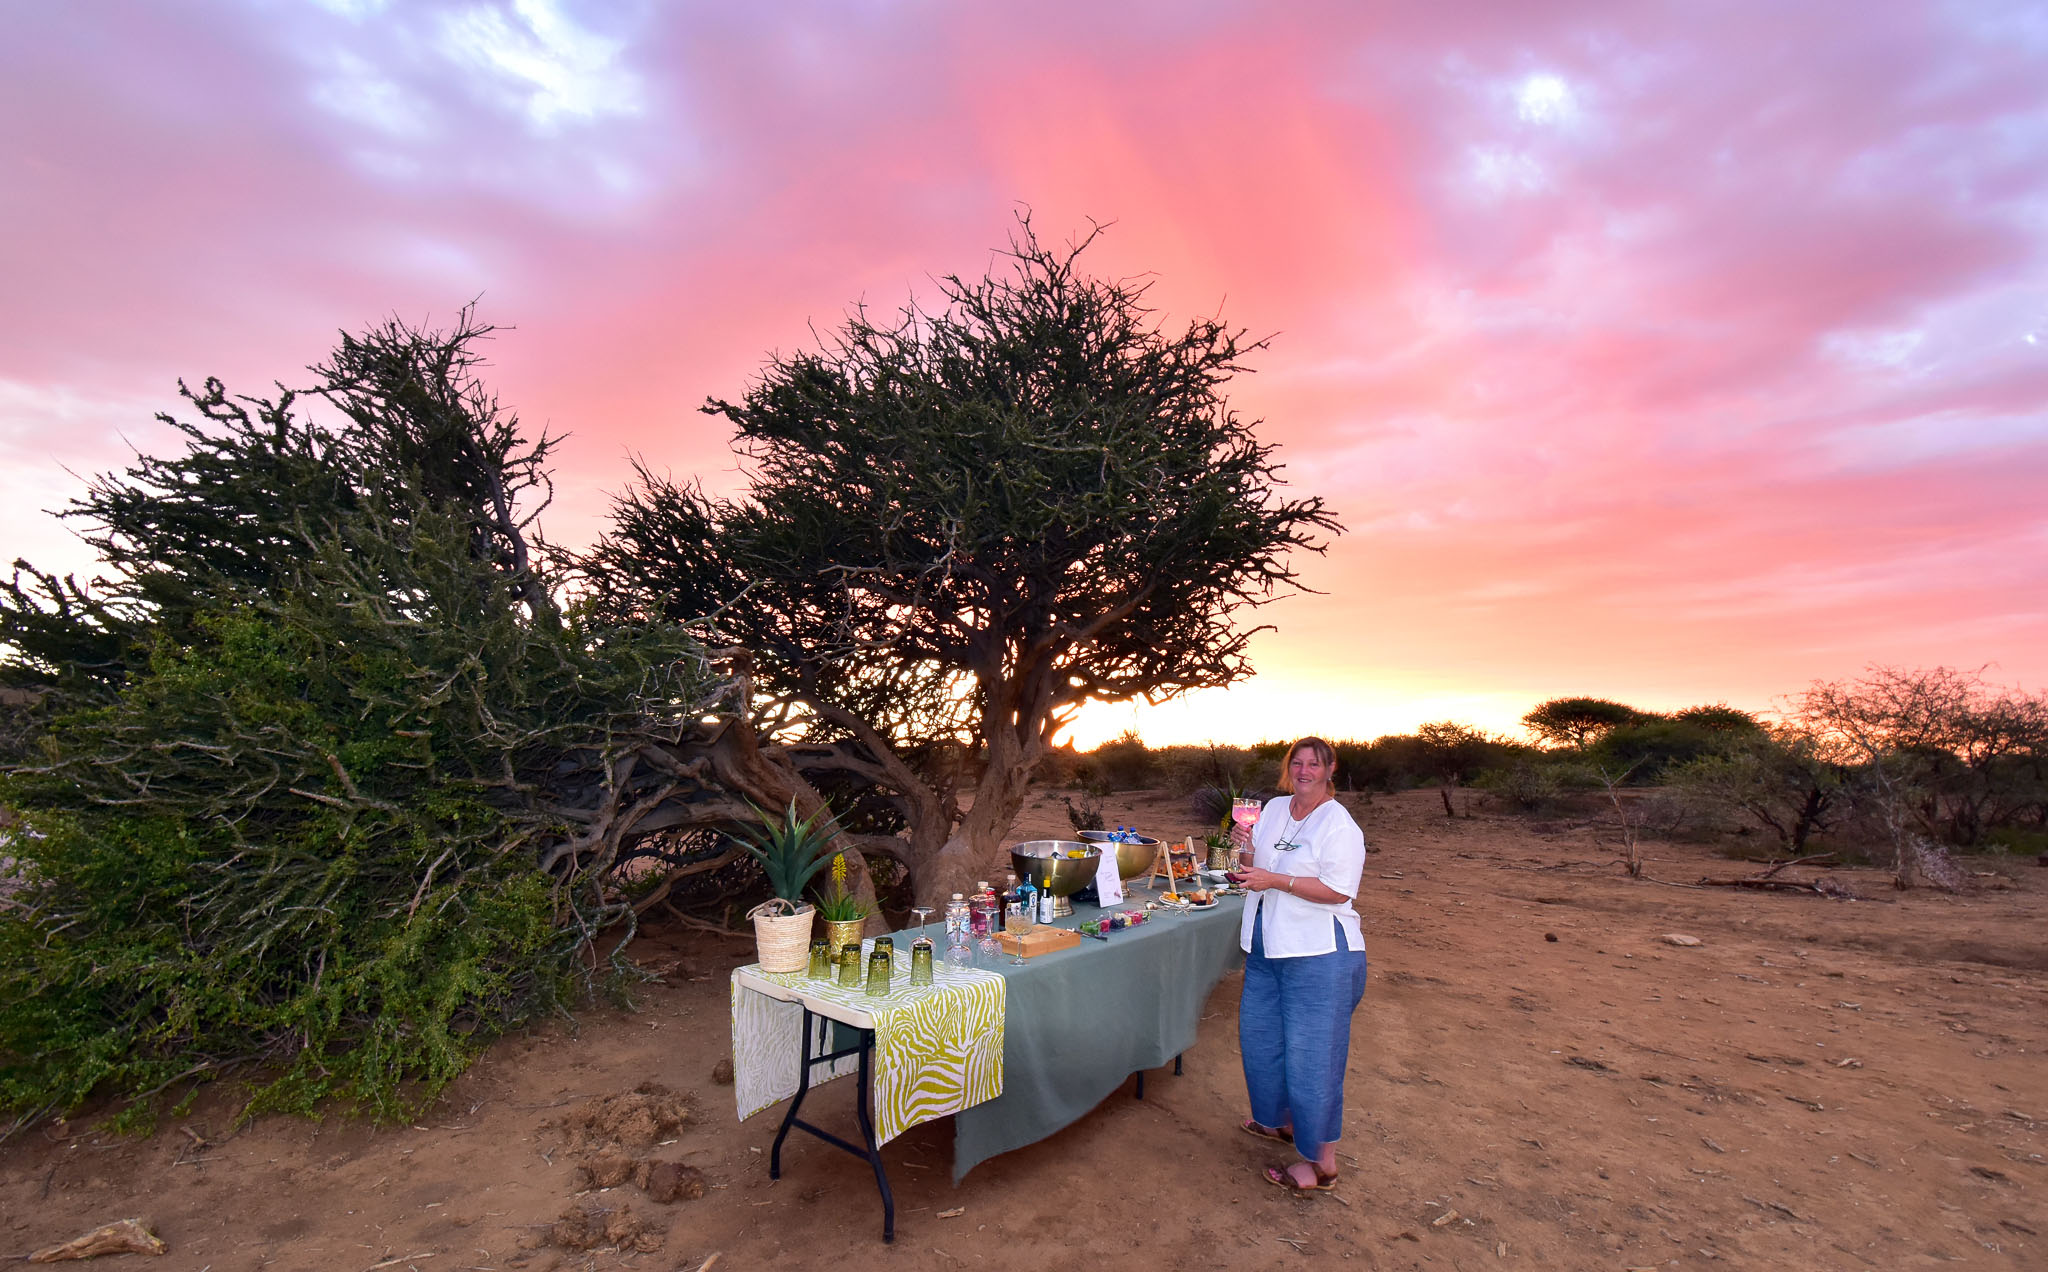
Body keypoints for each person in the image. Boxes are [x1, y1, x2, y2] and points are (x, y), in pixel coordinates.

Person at [1228, 735, 1368, 1194]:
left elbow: (1339, 891)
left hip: (1319, 955)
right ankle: (1281, 1123)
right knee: (1262, 1041)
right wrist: (1243, 847)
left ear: (1330, 771)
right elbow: (1254, 874)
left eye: (1315, 764)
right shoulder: (1272, 809)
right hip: (1268, 946)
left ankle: (1322, 1164)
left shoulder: (1339, 825)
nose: (1304, 771)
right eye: (1298, 762)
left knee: (1314, 1059)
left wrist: (1278, 880)